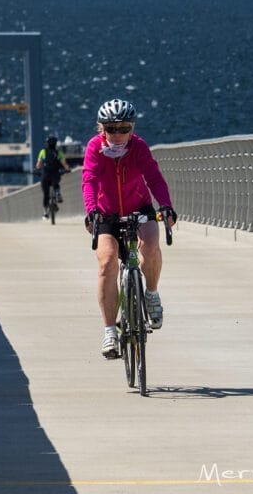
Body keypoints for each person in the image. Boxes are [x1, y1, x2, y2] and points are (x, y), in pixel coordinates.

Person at [82, 99, 177, 360]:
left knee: (150, 246)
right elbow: (89, 179)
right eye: (111, 128)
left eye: (124, 128)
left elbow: (154, 178)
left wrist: (166, 206)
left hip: (140, 208)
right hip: (107, 214)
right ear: (101, 129)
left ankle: (152, 294)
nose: (118, 134)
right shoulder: (94, 148)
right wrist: (91, 210)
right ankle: (110, 330)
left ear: (132, 128)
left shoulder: (139, 147)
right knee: (107, 263)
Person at [35, 135, 71, 219]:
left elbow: (39, 164)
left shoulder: (43, 152)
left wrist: (36, 168)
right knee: (56, 183)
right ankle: (58, 192)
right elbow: (64, 164)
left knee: (46, 194)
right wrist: (68, 169)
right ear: (55, 144)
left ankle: (45, 213)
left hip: (45, 175)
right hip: (55, 174)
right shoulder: (59, 152)